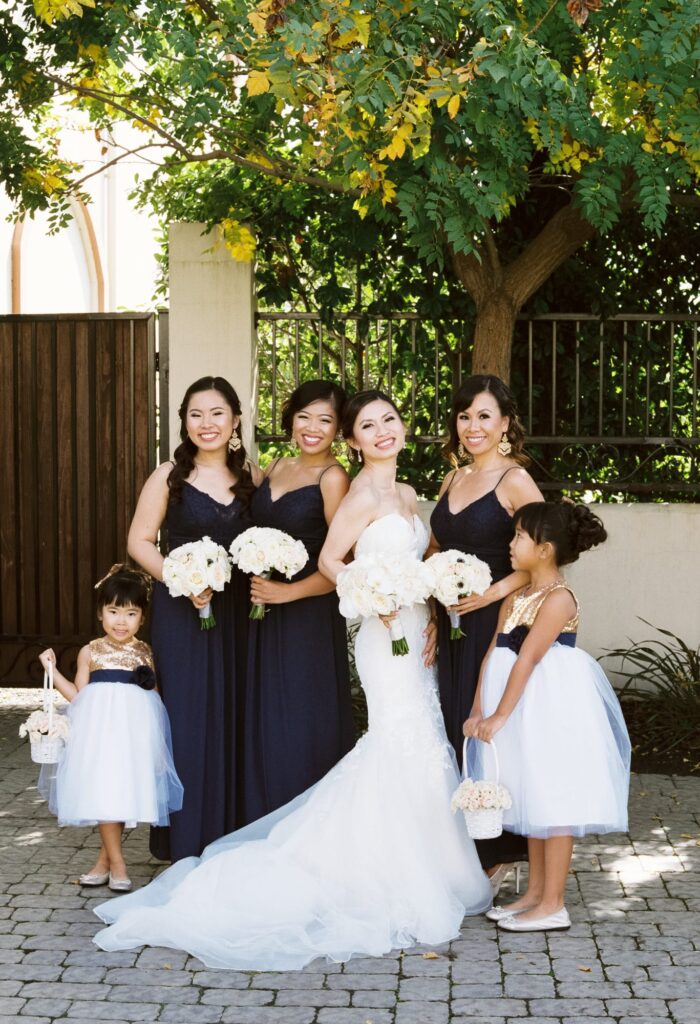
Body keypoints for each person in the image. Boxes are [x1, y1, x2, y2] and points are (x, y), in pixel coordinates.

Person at [92, 390, 492, 970]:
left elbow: (418, 553)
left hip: (400, 623)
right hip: (363, 626)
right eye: (306, 418)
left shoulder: (402, 493)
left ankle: (423, 855)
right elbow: (337, 560)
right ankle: (365, 853)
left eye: (385, 421)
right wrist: (369, 596)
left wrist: (431, 603)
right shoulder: (296, 478)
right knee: (395, 734)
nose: (317, 428)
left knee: (417, 735)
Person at [464, 500, 630, 932]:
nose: (511, 542)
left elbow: (529, 658)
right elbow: (493, 654)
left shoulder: (558, 598)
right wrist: (479, 707)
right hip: (515, 705)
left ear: (546, 549)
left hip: (547, 705)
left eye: (519, 535)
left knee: (553, 797)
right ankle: (535, 893)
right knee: (531, 792)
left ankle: (554, 902)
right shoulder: (518, 595)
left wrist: (500, 715)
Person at [127, 375, 262, 862]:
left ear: (236, 420)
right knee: (186, 716)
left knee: (239, 711)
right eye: (196, 414)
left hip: (239, 616)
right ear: (183, 421)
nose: (207, 424)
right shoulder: (168, 476)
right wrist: (181, 579)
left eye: (217, 414)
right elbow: (139, 541)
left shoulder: (252, 475)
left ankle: (233, 831)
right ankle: (185, 839)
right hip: (183, 610)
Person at [426, 374, 543, 889]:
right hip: (452, 622)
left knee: (487, 732)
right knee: (456, 725)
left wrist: (493, 592)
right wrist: (433, 609)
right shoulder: (452, 479)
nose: (472, 426)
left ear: (506, 424)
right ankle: (472, 843)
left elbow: (547, 555)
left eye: (484, 416)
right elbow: (433, 550)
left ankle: (502, 852)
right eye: (464, 416)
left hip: (496, 622)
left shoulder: (514, 480)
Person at [244, 379, 354, 821]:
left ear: (337, 429)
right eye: (304, 416)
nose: (312, 427)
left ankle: (305, 823)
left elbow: (344, 564)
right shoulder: (276, 466)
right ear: (291, 419)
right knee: (268, 718)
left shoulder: (334, 478)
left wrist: (288, 592)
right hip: (262, 615)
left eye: (325, 420)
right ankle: (263, 817)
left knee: (302, 720)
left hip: (307, 615)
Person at [38, 565, 183, 892]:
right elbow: (78, 695)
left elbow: (154, 696)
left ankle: (103, 862)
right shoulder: (90, 651)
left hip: (132, 735)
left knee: (121, 792)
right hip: (100, 733)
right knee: (106, 789)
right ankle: (118, 864)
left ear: (142, 618)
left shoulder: (144, 651)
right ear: (100, 613)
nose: (121, 621)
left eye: (131, 613)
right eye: (114, 611)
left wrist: (155, 740)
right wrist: (51, 670)